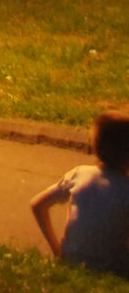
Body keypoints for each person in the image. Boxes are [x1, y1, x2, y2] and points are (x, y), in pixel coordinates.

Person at [32, 113, 129, 275]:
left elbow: (37, 205)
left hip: (72, 260)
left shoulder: (79, 174)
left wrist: (57, 250)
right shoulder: (125, 188)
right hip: (113, 267)